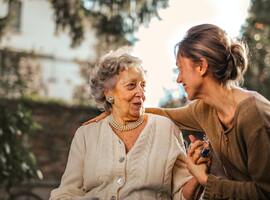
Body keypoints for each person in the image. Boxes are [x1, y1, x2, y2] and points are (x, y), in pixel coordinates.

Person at [85, 24, 270, 199]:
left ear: (201, 66)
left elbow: (265, 192)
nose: (179, 79)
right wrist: (117, 111)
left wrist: (205, 180)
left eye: (181, 69)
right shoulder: (204, 109)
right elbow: (165, 114)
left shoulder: (255, 114)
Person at [50, 49, 205, 200]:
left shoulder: (165, 129)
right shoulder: (86, 135)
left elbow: (181, 194)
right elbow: (67, 193)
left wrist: (198, 176)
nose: (141, 93)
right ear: (108, 92)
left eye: (142, 85)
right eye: (131, 85)